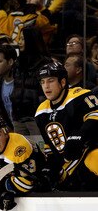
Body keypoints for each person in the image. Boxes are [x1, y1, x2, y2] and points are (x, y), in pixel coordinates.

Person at [35, 62, 98, 190]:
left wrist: (80, 135)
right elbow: (49, 147)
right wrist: (50, 169)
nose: (46, 86)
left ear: (63, 82)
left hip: (89, 154)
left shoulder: (80, 96)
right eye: (42, 82)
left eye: (50, 81)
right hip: (67, 169)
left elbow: (95, 115)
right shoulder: (41, 112)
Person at [0, 114, 46, 210]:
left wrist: (0, 186)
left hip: (42, 178)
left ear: (6, 133)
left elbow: (28, 183)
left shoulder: (19, 146)